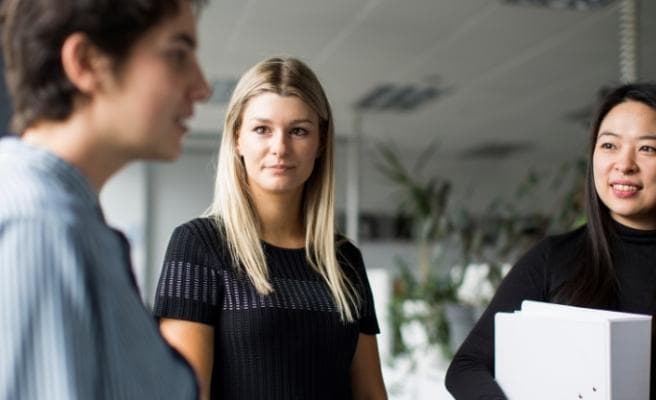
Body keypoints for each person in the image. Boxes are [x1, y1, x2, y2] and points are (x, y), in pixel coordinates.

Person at [0, 0, 210, 399]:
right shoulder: (40, 226)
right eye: (177, 54)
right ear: (86, 62)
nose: (200, 86)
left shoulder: (73, 222)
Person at [153, 56, 388, 400]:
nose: (280, 148)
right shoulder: (199, 246)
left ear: (320, 142)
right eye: (262, 129)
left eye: (298, 131)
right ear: (237, 139)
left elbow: (371, 396)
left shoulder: (345, 261)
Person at [445, 82, 656, 399]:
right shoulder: (553, 258)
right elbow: (466, 367)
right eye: (609, 146)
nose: (624, 165)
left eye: (648, 148)